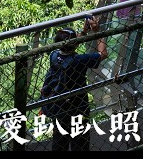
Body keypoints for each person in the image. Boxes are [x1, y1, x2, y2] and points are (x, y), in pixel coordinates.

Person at [42, 17, 108, 151]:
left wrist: (83, 32)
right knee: (80, 142)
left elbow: (69, 46)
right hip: (78, 107)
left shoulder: (54, 55)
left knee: (59, 141)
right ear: (74, 43)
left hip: (59, 106)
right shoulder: (79, 60)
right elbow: (103, 53)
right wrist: (96, 32)